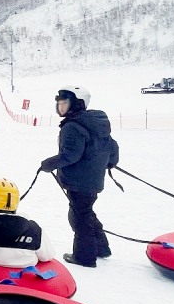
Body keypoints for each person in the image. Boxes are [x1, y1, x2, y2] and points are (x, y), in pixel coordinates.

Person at [39, 86, 119, 268]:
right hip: (92, 181)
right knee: (86, 213)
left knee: (79, 218)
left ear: (77, 104)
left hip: (79, 182)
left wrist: (48, 164)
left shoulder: (73, 126)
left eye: (65, 103)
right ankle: (101, 248)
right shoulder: (95, 123)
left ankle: (84, 257)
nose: (60, 107)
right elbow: (113, 148)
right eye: (59, 103)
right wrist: (107, 163)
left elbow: (71, 155)